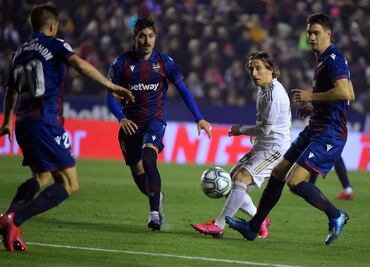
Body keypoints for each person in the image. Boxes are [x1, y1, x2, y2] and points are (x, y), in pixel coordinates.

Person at [0, 4, 134, 252]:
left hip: (23, 123)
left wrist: (7, 120)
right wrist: (110, 86)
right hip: (46, 122)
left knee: (41, 177)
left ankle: (8, 217)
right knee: (70, 185)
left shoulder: (19, 52)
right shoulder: (55, 44)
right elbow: (80, 65)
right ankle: (14, 220)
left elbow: (10, 90)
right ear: (52, 26)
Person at [226, 12, 355, 245]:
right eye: (309, 34)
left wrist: (311, 96)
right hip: (315, 127)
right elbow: (348, 94)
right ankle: (253, 227)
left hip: (330, 132)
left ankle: (336, 215)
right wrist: (313, 105)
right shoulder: (325, 60)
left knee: (295, 181)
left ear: (328, 33)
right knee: (278, 172)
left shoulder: (334, 58)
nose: (311, 38)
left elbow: (346, 93)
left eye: (316, 33)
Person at [106, 17, 212, 231]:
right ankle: (157, 196)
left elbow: (183, 90)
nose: (147, 40)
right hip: (130, 125)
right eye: (142, 36)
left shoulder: (164, 62)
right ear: (134, 38)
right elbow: (110, 97)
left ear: (156, 38)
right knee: (137, 173)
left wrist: (198, 117)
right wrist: (122, 118)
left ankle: (154, 214)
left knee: (148, 159)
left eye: (151, 36)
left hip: (155, 121)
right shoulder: (121, 63)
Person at [192, 51, 291, 239]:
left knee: (241, 179)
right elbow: (264, 123)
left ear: (270, 70)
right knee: (230, 182)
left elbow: (266, 129)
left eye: (259, 68)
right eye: (251, 69)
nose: (254, 73)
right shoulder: (263, 89)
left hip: (275, 149)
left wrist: (241, 131)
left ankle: (218, 225)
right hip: (263, 145)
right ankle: (259, 219)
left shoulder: (272, 94)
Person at [297, 105, 354, 200]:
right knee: (332, 155)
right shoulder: (341, 95)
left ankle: (310, 186)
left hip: (331, 129)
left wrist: (314, 109)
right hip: (334, 128)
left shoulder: (336, 95)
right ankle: (347, 189)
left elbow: (329, 108)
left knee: (320, 151)